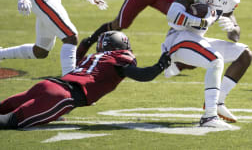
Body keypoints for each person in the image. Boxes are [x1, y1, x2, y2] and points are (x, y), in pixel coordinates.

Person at [0, 31, 171, 129]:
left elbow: (80, 51)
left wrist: (88, 41)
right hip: (62, 96)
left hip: (47, 84)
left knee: (3, 108)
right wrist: (160, 65)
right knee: (10, 122)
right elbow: (142, 75)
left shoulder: (93, 57)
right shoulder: (118, 59)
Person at [162, 0, 252, 128]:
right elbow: (172, 15)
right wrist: (199, 21)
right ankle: (209, 117)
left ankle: (218, 102)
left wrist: (233, 28)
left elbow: (234, 34)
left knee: (244, 54)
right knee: (215, 60)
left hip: (195, 39)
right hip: (177, 39)